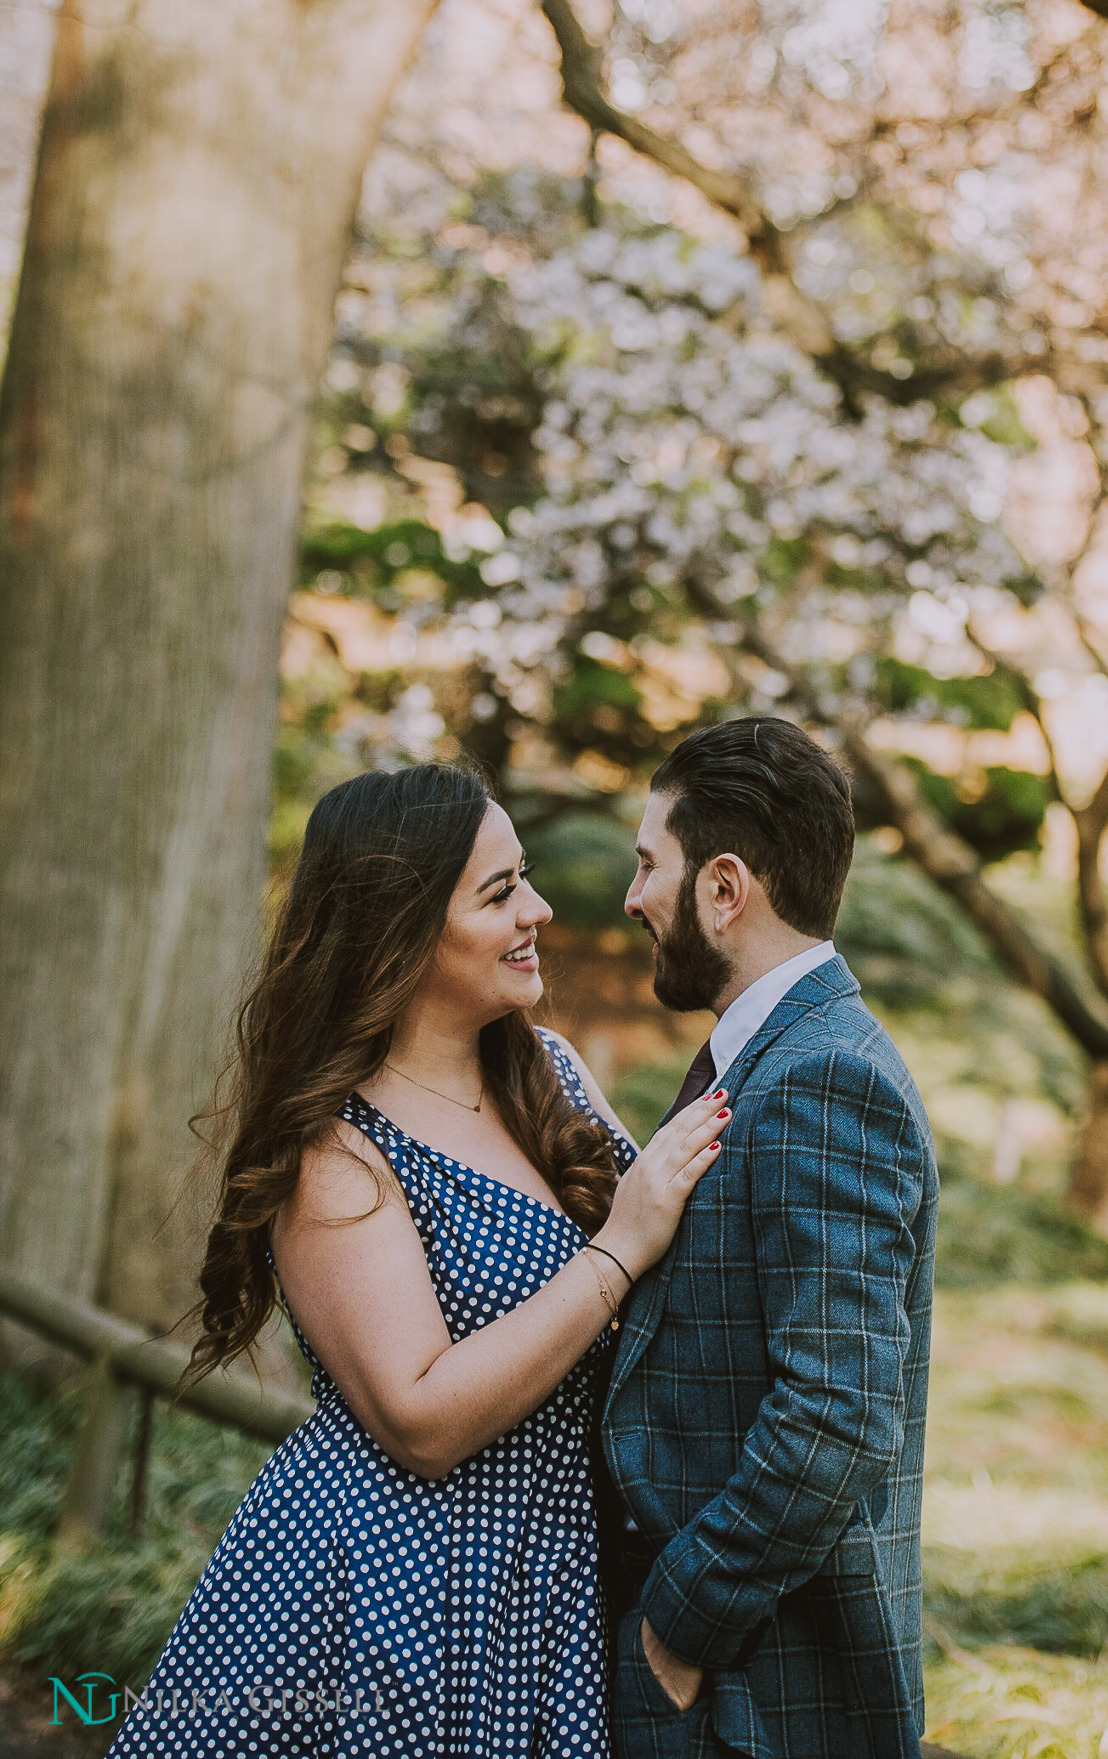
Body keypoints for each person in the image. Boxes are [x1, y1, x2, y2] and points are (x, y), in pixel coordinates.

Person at [106, 762, 729, 1759]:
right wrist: (615, 1251)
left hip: (547, 1574)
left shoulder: (551, 1072)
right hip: (383, 1586)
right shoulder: (334, 1153)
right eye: (497, 893)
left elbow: (686, 1238)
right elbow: (419, 1420)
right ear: (398, 929)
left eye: (523, 876)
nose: (537, 908)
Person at [606, 716, 938, 1759]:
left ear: (722, 887)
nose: (629, 898)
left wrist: (675, 1630)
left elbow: (834, 1417)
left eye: (646, 863)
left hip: (753, 1698)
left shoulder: (821, 1078)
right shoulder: (762, 1059)